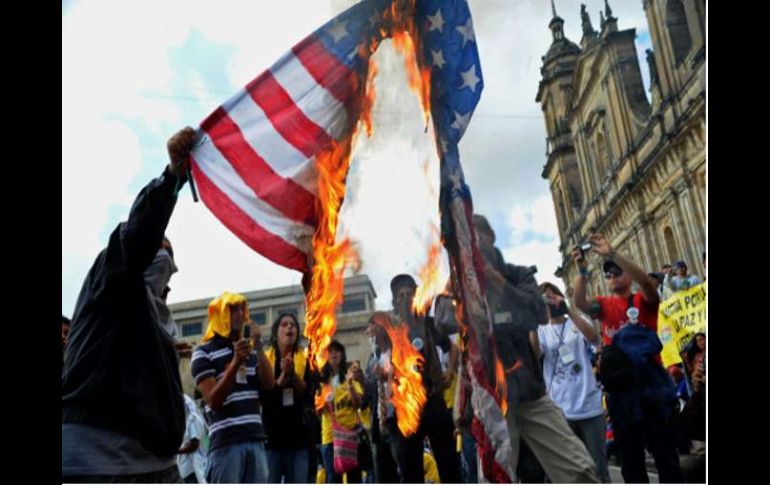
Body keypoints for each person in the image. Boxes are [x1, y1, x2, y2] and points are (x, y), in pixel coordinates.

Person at [62, 127, 196, 482]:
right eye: (162, 249)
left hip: (151, 462)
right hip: (100, 460)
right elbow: (138, 235)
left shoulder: (154, 316)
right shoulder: (112, 276)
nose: (169, 261)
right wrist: (172, 178)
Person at [474, 214, 599, 483]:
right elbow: (445, 324)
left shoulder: (519, 275)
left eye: (478, 235)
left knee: (580, 471)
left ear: (491, 236)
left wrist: (496, 281)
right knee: (496, 477)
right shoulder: (464, 285)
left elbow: (536, 314)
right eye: (468, 239)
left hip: (530, 395)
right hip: (493, 402)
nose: (475, 243)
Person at [572, 233, 684, 483]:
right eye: (607, 274)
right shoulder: (602, 306)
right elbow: (579, 301)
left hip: (651, 390)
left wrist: (612, 254)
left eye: (617, 271)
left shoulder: (644, 302)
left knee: (666, 456)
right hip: (621, 394)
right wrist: (581, 270)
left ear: (628, 276)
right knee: (632, 463)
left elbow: (646, 281)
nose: (611, 276)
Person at [192, 292, 276, 483]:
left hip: (255, 439)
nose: (240, 314)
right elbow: (213, 400)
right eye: (232, 310)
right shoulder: (203, 353)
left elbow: (270, 385)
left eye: (241, 309)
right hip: (226, 444)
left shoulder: (252, 349)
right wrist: (236, 362)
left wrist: (259, 346)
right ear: (219, 314)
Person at [537, 282, 610, 482]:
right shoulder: (540, 330)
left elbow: (595, 338)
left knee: (599, 469)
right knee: (571, 473)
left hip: (590, 406)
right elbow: (535, 352)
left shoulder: (575, 322)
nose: (549, 302)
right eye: (544, 299)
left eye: (552, 296)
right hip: (561, 412)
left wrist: (568, 309)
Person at [261, 312, 312, 483]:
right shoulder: (265, 360)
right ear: (276, 333)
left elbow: (309, 395)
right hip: (271, 439)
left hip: (298, 439)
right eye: (284, 324)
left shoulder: (306, 359)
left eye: (293, 324)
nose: (289, 327)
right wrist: (283, 375)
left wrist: (294, 375)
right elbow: (265, 397)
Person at [317, 340, 364, 483]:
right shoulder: (321, 381)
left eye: (337, 350)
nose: (333, 354)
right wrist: (325, 404)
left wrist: (350, 386)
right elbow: (318, 413)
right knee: (333, 479)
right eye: (330, 351)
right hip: (330, 438)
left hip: (350, 436)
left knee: (354, 479)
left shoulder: (349, 377)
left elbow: (358, 404)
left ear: (342, 354)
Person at [178, 393, 208, 483]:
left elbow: (194, 444)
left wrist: (175, 451)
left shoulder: (186, 404)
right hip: (187, 467)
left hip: (191, 468)